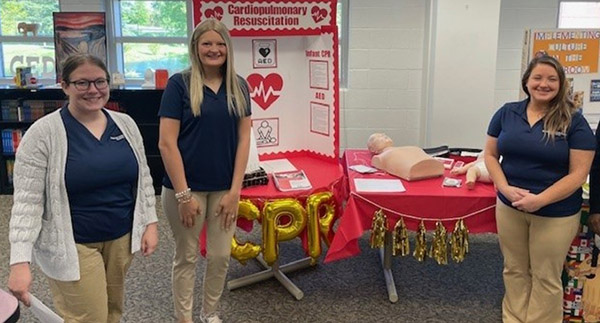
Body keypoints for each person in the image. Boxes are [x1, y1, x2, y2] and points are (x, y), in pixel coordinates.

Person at [7, 53, 158, 323]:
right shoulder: (43, 134)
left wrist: (150, 222)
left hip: (120, 237)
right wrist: (20, 261)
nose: (93, 90)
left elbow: (142, 177)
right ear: (64, 85)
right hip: (73, 244)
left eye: (100, 81)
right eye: (82, 83)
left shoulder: (125, 124)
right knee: (89, 318)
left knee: (113, 311)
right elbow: (27, 202)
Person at [484, 55, 596, 323]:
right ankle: (513, 318)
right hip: (509, 205)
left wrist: (541, 200)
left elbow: (579, 172)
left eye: (551, 79)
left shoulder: (574, 121)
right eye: (537, 77)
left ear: (561, 84)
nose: (543, 84)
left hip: (555, 212)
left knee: (545, 275)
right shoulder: (506, 113)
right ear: (527, 82)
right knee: (514, 269)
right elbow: (489, 155)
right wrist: (505, 188)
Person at [158, 19, 251, 323]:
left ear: (228, 47)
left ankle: (210, 312)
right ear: (196, 47)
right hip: (185, 188)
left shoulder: (240, 85)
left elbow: (244, 139)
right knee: (186, 256)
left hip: (224, 187)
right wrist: (184, 196)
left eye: (220, 43)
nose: (214, 50)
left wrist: (236, 191)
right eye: (207, 43)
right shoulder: (179, 85)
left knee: (221, 255)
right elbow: (166, 144)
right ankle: (183, 318)